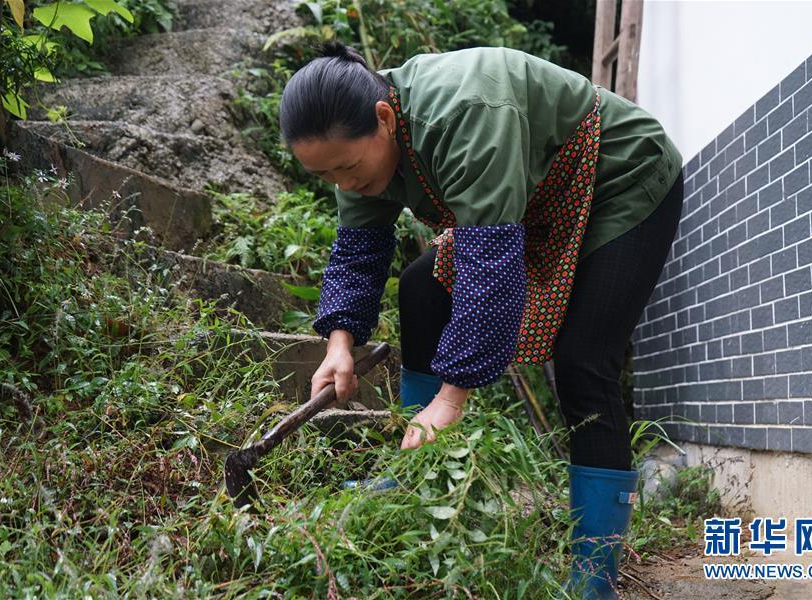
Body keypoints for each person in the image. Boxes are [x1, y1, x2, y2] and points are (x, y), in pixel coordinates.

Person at [279, 42, 683, 599]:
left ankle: (594, 578)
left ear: (385, 119)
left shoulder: (467, 112)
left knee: (585, 361)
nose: (344, 184)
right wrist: (339, 344)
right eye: (326, 176)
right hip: (535, 201)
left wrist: (450, 399)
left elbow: (489, 273)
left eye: (347, 167)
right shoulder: (360, 154)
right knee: (421, 288)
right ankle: (415, 470)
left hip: (620, 181)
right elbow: (358, 251)